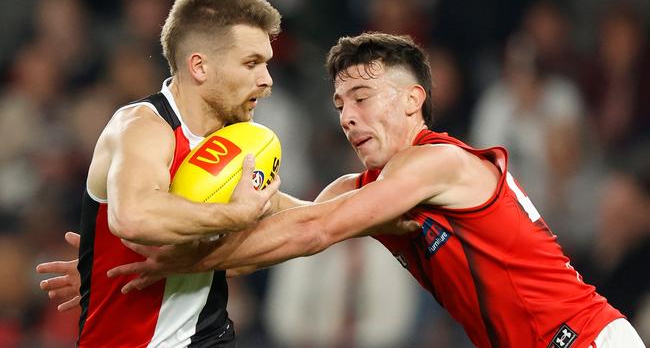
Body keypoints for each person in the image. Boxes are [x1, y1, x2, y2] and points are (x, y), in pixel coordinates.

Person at [39, 33, 645, 347]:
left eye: (361, 98)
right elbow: (275, 237)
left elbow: (314, 229)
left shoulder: (438, 164)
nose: (347, 117)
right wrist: (115, 260)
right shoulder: (365, 187)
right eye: (338, 104)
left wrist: (168, 260)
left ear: (414, 100)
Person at [36, 0, 293, 346]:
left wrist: (383, 207)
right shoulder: (142, 127)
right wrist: (235, 217)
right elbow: (133, 217)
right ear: (199, 66)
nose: (267, 80)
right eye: (252, 63)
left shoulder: (240, 142)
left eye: (266, 64)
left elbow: (302, 222)